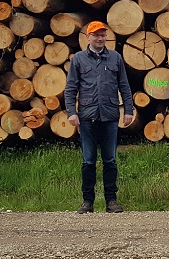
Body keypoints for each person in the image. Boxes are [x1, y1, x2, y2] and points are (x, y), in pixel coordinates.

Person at [65, 21, 135, 214]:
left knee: (110, 160)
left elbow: (124, 85)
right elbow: (70, 89)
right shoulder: (78, 59)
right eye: (96, 35)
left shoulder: (115, 58)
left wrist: (128, 110)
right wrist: (71, 112)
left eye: (103, 35)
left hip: (110, 116)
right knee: (88, 161)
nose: (100, 38)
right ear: (88, 37)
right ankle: (88, 202)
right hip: (87, 117)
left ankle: (111, 201)